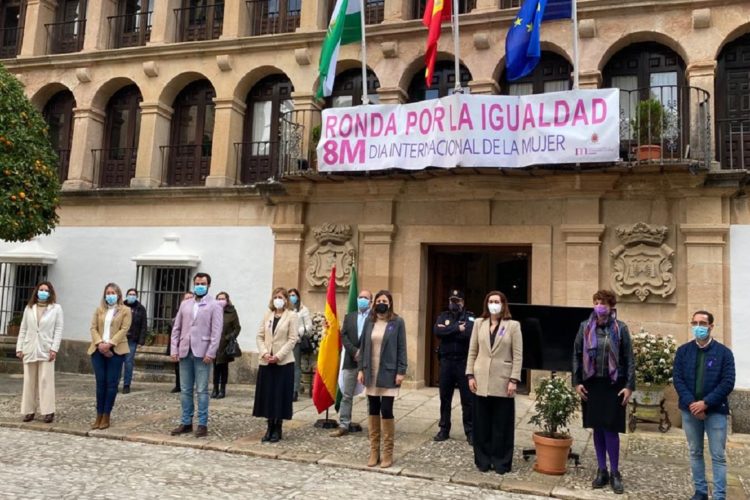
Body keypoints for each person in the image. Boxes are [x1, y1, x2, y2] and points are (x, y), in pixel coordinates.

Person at [572, 289, 635, 495]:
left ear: (611, 306)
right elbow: (577, 354)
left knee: (611, 428)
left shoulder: (620, 328)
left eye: (603, 303)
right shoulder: (585, 327)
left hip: (613, 384)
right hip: (592, 384)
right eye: (596, 302)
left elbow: (629, 359)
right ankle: (602, 470)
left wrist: (629, 386)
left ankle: (616, 472)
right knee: (597, 427)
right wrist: (577, 382)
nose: (599, 306)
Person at [673, 310, 735, 500]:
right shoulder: (683, 351)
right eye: (695, 323)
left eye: (702, 323)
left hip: (715, 411)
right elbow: (678, 379)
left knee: (718, 455)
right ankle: (700, 491)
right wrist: (692, 403)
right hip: (690, 410)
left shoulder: (724, 353)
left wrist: (706, 403)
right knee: (695, 452)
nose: (698, 327)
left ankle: (719, 495)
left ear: (711, 326)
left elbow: (727, 382)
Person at [466, 291, 522, 474]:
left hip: (503, 381)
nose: (493, 304)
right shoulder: (479, 324)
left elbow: (518, 355)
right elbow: (472, 351)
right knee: (482, 424)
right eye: (490, 301)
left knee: (501, 425)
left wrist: (514, 379)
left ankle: (501, 461)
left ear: (503, 304)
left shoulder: (513, 326)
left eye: (496, 301)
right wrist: (470, 375)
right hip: (481, 379)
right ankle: (483, 460)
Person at [357, 290, 407, 469]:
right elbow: (363, 346)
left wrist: (401, 371)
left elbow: (402, 348)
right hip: (371, 372)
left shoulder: (397, 322)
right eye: (378, 300)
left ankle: (387, 453)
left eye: (384, 300)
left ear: (390, 303)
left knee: (386, 409)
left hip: (388, 372)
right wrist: (361, 370)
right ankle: (373, 451)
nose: (381, 303)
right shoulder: (370, 322)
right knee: (373, 408)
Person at [170, 273, 222, 438]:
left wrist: (211, 352)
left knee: (201, 390)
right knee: (185, 390)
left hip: (203, 352)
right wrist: (174, 348)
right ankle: (186, 422)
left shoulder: (214, 305)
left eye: (203, 283)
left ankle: (202, 423)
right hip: (185, 350)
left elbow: (216, 331)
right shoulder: (186, 304)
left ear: (208, 285)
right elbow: (176, 328)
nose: (200, 285)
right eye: (197, 283)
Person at [253, 287, 299, 443]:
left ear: (286, 300)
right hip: (267, 361)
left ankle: (278, 427)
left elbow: (292, 339)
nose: (277, 299)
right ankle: (269, 426)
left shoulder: (291, 316)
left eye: (280, 297)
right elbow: (260, 336)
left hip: (283, 363)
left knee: (279, 395)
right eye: (275, 297)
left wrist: (278, 356)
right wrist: (265, 353)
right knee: (268, 395)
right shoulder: (268, 315)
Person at [15, 281, 64, 424]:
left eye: (46, 290)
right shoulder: (29, 308)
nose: (43, 292)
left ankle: (48, 411)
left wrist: (54, 348)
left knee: (45, 380)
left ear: (50, 293)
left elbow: (58, 330)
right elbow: (23, 329)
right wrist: (19, 348)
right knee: (29, 380)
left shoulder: (56, 309)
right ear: (36, 292)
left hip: (46, 348)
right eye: (41, 289)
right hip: (29, 348)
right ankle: (29, 410)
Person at [88, 283, 132, 430]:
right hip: (98, 350)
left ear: (118, 295)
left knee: (111, 384)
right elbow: (93, 328)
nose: (110, 295)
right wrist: (100, 343)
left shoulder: (125, 310)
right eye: (108, 293)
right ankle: (99, 414)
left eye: (113, 293)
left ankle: (107, 414)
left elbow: (124, 329)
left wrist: (110, 344)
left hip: (116, 351)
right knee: (100, 384)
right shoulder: (99, 310)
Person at [433, 289, 475, 444]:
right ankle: (444, 429)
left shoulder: (470, 316)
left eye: (457, 300)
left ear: (463, 302)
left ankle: (470, 431)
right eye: (452, 300)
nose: (454, 303)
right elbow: (438, 331)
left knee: (467, 399)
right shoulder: (443, 316)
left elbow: (470, 333)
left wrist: (449, 330)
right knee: (445, 397)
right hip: (446, 362)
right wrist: (457, 328)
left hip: (463, 362)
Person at [330, 289, 372, 437]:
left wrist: (363, 352)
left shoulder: (374, 318)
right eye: (360, 297)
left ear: (371, 302)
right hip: (351, 359)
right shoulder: (350, 316)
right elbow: (344, 336)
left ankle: (373, 427)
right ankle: (343, 424)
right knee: (347, 395)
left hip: (368, 362)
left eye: (366, 298)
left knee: (371, 395)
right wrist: (355, 351)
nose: (362, 300)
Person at [212, 291, 241, 399]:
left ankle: (222, 389)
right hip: (215, 343)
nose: (221, 301)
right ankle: (215, 388)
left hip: (225, 344)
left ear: (227, 300)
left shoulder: (232, 312)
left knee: (223, 367)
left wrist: (229, 337)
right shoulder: (213, 311)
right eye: (218, 299)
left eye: (223, 299)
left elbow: (237, 327)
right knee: (215, 367)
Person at [167, 291, 194, 393]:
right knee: (178, 367)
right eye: (186, 298)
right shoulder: (179, 311)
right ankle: (178, 385)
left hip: (190, 344)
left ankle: (188, 385)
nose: (188, 300)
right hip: (178, 342)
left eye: (190, 298)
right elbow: (174, 327)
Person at [288, 288, 312, 402]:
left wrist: (300, 331)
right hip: (285, 341)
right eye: (290, 295)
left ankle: (294, 390)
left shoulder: (303, 310)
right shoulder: (286, 309)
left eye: (293, 295)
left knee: (296, 366)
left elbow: (309, 326)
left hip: (296, 341)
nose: (292, 297)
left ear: (297, 296)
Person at [121, 288, 147, 394]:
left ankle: (126, 384)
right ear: (126, 295)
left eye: (133, 294)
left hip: (132, 339)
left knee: (128, 362)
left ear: (136, 296)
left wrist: (141, 340)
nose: (131, 296)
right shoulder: (121, 306)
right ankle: (114, 383)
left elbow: (143, 325)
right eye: (130, 294)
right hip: (120, 339)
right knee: (118, 362)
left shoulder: (141, 309)